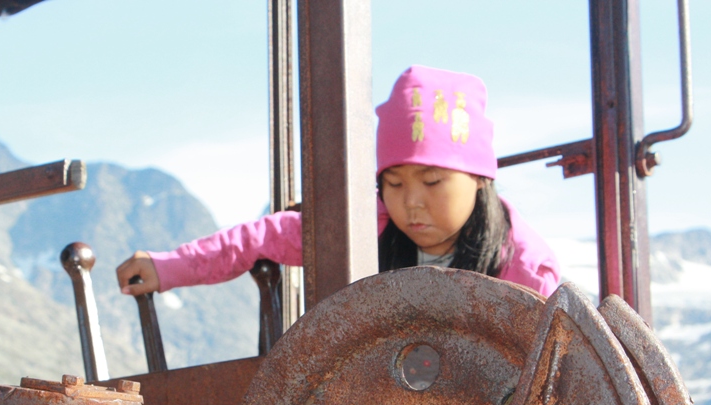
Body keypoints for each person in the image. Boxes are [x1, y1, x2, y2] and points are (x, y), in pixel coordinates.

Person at [117, 65, 560, 299]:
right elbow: (261, 238)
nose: (411, 203)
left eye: (432, 180)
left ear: (480, 179)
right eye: (394, 182)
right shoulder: (368, 226)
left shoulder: (526, 274)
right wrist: (168, 267)